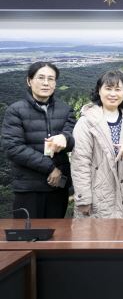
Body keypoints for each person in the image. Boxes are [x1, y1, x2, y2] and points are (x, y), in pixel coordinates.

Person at [1, 62, 76, 219]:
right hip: (29, 187)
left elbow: (74, 139)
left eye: (51, 79)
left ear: (55, 83)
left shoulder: (66, 110)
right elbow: (13, 148)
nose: (45, 83)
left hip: (58, 188)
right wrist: (50, 168)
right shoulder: (15, 110)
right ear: (29, 81)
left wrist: (65, 137)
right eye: (40, 78)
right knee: (28, 231)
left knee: (56, 231)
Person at [71, 71, 123, 219]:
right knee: (96, 233)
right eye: (108, 88)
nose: (113, 94)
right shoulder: (86, 121)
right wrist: (83, 198)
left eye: (118, 89)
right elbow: (80, 163)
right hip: (97, 194)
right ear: (99, 91)